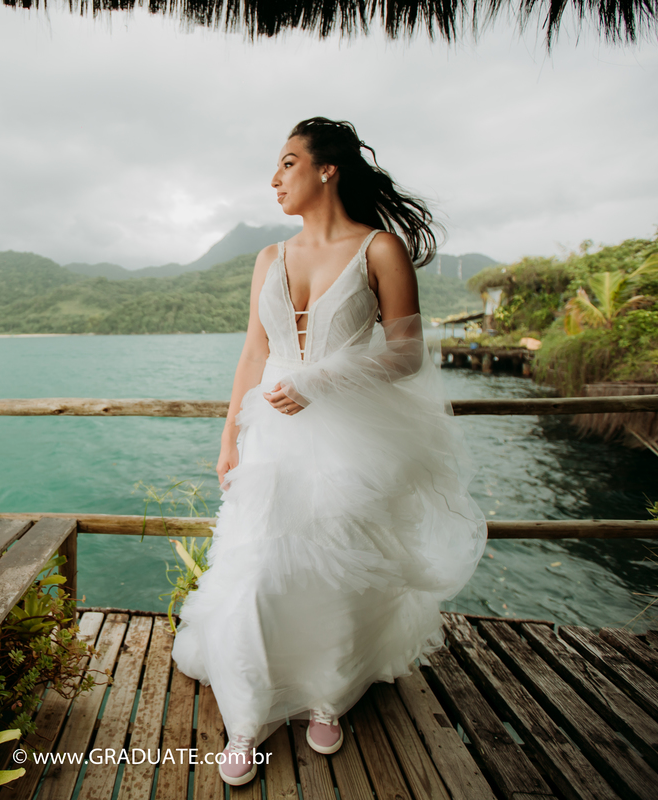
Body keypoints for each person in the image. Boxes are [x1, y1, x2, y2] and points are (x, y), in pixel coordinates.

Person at [169, 117, 487, 786]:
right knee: (257, 568)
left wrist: (320, 379)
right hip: (273, 437)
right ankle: (248, 717)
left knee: (338, 573)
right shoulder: (268, 258)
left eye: (288, 162)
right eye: (276, 166)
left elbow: (405, 354)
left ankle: (327, 695)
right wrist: (228, 435)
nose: (275, 177)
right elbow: (255, 352)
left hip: (352, 437)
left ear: (327, 170)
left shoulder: (380, 249)